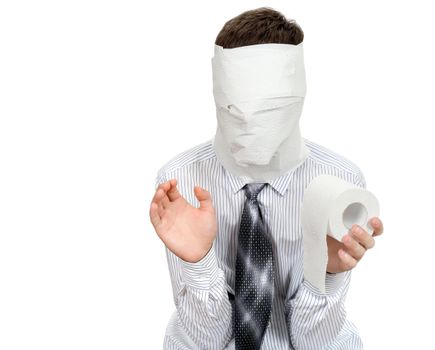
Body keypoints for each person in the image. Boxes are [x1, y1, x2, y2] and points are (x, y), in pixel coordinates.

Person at [149, 7, 384, 350]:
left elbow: (314, 344)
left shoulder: (340, 181)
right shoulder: (180, 179)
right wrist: (198, 262)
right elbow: (205, 342)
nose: (246, 126)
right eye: (232, 108)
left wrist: (327, 273)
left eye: (269, 110)